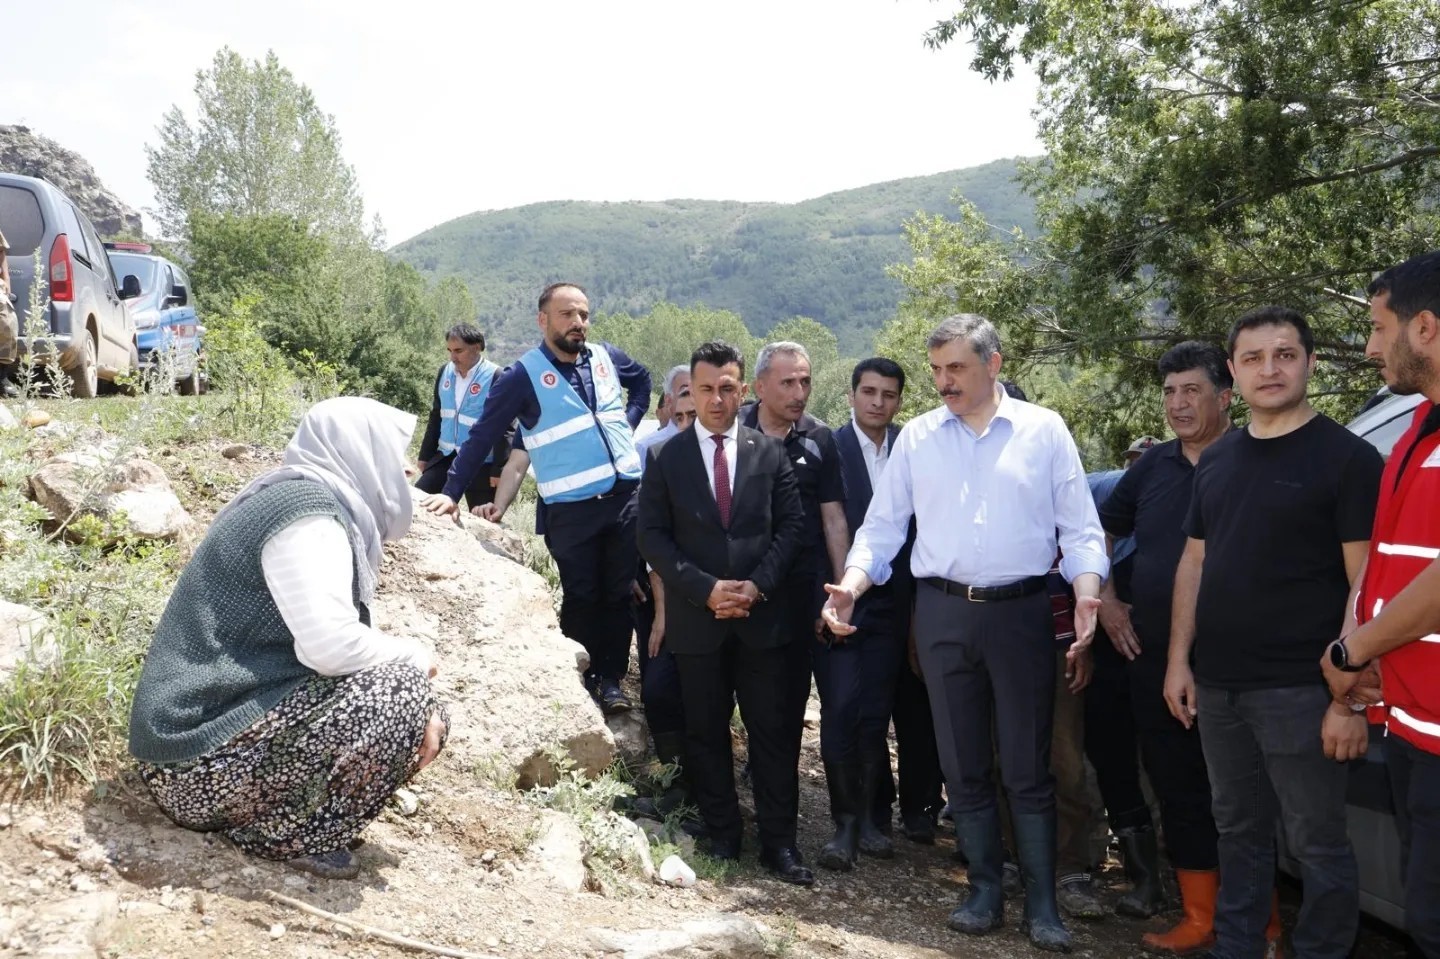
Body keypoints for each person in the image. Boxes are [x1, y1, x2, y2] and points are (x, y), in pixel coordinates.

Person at [823, 314, 1107, 952]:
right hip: (944, 615)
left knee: (1029, 766)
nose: (943, 383)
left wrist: (1088, 594)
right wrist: (855, 581)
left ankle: (1042, 902)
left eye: (957, 368)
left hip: (1022, 614)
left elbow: (1082, 530)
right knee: (962, 762)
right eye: (936, 371)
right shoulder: (919, 438)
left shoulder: (1044, 430)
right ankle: (982, 889)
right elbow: (884, 526)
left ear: (994, 364)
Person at [128, 397, 448, 880]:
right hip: (190, 762)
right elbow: (331, 647)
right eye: (392, 452)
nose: (405, 470)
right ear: (361, 451)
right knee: (402, 691)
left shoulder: (312, 505)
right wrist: (414, 657)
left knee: (427, 707)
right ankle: (285, 833)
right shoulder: (307, 515)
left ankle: (280, 817)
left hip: (211, 744)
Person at [1165, 307, 1381, 959]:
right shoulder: (1220, 457)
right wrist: (1179, 660)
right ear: (1233, 370)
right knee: (1238, 831)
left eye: (1284, 354)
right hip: (1220, 687)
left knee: (1317, 843)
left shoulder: (1349, 457)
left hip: (1303, 690)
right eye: (1254, 357)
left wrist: (1345, 699)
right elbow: (1195, 560)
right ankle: (1239, 946)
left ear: (1310, 362)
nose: (1270, 368)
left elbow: (1365, 583)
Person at [1096, 341, 1291, 951]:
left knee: (1244, 800)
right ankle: (1200, 917)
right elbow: (1097, 528)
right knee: (1177, 789)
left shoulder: (1251, 458)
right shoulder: (1151, 468)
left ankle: (1262, 921)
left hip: (1240, 663)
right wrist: (1104, 597)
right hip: (1153, 659)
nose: (1178, 404)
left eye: (1192, 391)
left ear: (1225, 395)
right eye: (1169, 392)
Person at [423, 282, 651, 714]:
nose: (578, 323)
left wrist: (627, 422)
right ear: (543, 320)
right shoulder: (521, 376)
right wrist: (451, 492)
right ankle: (578, 683)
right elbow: (484, 435)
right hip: (571, 511)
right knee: (583, 595)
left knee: (619, 594)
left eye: (583, 314)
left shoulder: (605, 357)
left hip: (625, 502)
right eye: (567, 315)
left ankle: (611, 681)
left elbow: (641, 382)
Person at [637, 341, 811, 884]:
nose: (715, 399)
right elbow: (652, 537)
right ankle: (723, 835)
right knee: (705, 732)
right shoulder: (666, 456)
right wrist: (706, 589)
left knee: (773, 733)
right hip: (698, 619)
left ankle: (781, 845)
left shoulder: (769, 452)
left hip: (763, 622)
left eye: (726, 387)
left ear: (743, 390)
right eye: (704, 389)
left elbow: (792, 530)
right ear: (690, 390)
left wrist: (756, 588)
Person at [1322, 250, 1440, 959]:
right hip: (1415, 729)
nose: (1369, 346)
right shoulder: (1413, 433)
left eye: (1378, 325)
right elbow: (1377, 571)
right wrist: (1354, 658)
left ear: (1424, 326)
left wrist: (1352, 652)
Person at [817, 357, 916, 870]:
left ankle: (872, 819)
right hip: (839, 598)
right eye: (870, 392)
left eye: (889, 394)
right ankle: (843, 825)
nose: (879, 402)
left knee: (876, 716)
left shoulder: (914, 448)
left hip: (895, 605)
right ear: (853, 394)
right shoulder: (826, 447)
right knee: (839, 713)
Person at [636, 386, 696, 787]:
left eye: (695, 417)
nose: (688, 427)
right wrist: (661, 614)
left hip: (723, 607)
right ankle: (674, 778)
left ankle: (701, 788)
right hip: (672, 602)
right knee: (658, 690)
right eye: (681, 418)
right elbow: (654, 545)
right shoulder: (661, 461)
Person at [414, 323, 509, 510]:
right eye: (450, 351)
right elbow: (436, 416)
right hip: (446, 455)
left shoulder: (497, 376)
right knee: (420, 503)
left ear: (476, 348)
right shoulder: (445, 372)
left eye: (458, 351)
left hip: (481, 462)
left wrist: (499, 469)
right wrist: (425, 456)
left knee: (483, 516)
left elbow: (506, 427)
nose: (453, 357)